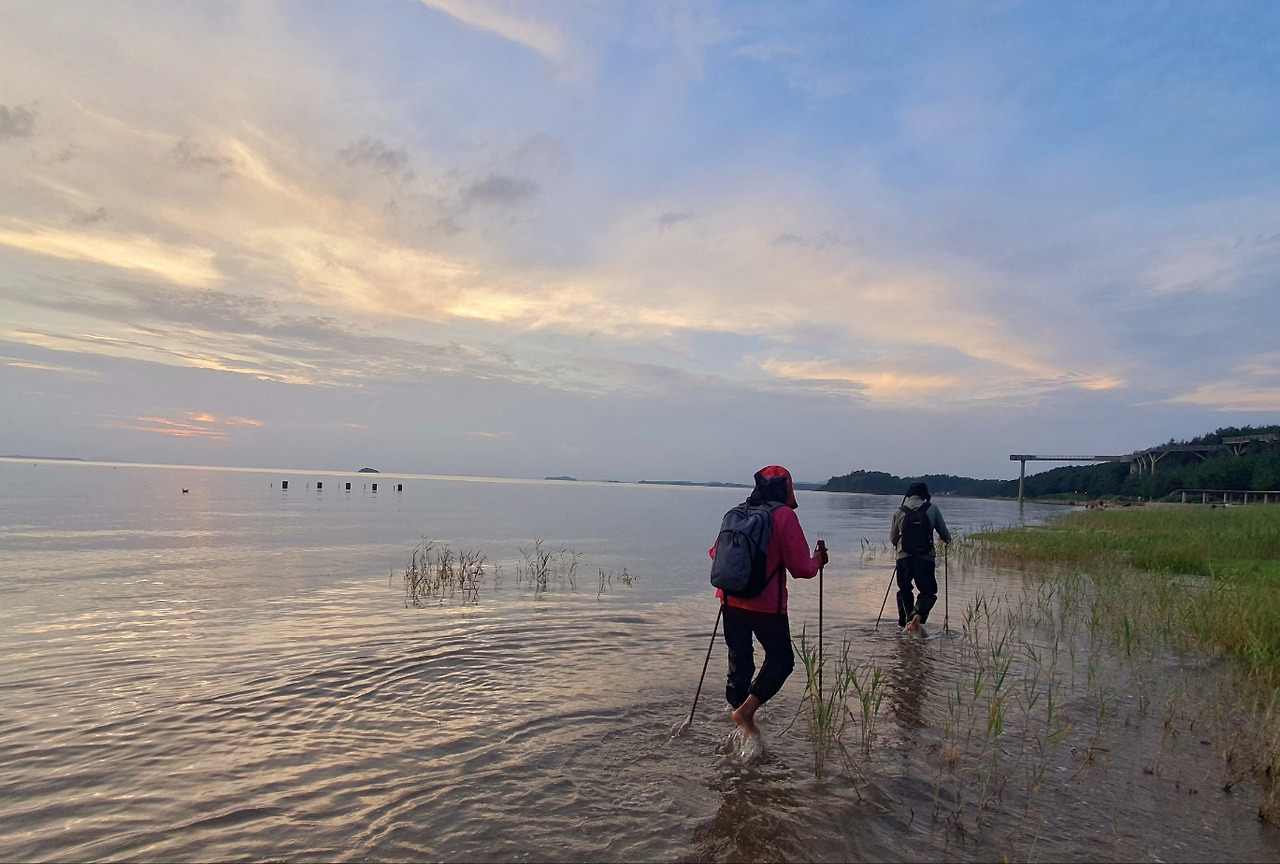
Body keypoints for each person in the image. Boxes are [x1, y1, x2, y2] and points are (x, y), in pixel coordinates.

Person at [710, 465, 828, 737]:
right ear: (788, 489)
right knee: (782, 660)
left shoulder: (735, 513)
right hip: (767, 606)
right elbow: (801, 568)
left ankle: (739, 724)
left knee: (740, 661)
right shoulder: (784, 516)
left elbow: (715, 553)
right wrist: (818, 561)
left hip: (729, 600)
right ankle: (746, 713)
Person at [890, 481, 951, 634]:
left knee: (904, 590)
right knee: (928, 592)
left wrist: (901, 548)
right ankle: (918, 616)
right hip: (925, 558)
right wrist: (946, 541)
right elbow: (945, 535)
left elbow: (893, 538)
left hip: (903, 558)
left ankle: (904, 626)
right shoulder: (932, 509)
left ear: (908, 494)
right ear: (925, 494)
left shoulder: (899, 511)